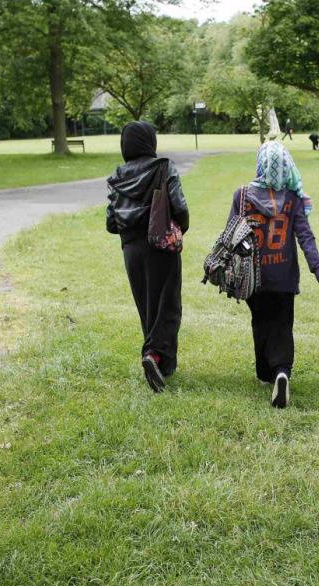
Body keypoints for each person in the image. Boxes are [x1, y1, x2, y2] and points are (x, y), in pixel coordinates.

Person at [229, 141, 319, 408]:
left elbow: (231, 233)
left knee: (260, 320)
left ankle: (266, 372)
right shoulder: (293, 198)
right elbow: (305, 237)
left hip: (253, 276)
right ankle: (282, 371)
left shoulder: (242, 195)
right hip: (284, 276)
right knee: (282, 324)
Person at [106, 121, 189, 393]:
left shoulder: (118, 176)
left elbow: (110, 222)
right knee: (167, 305)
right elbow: (179, 206)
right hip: (160, 244)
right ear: (150, 142)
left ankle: (158, 361)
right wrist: (180, 228)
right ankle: (155, 356)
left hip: (130, 248)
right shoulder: (163, 167)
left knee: (147, 305)